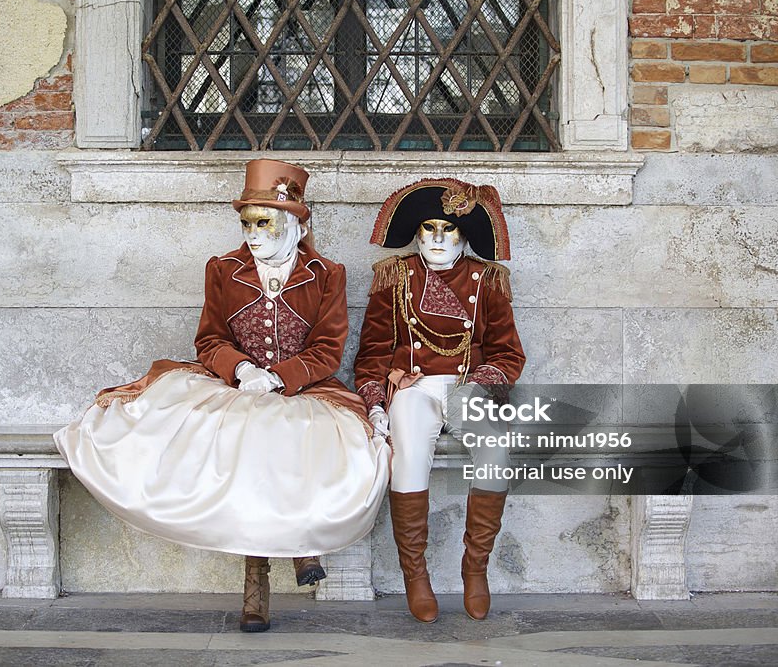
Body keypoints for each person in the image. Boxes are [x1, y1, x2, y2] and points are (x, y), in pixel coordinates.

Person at [55, 159, 390, 633]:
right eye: (246, 223)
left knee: (296, 434)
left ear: (294, 222)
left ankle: (294, 547)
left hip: (306, 387)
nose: (253, 234)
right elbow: (209, 339)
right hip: (233, 385)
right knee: (245, 433)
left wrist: (280, 378)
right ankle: (261, 577)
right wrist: (244, 368)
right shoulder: (223, 269)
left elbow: (328, 348)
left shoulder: (327, 274)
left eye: (264, 222)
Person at [353, 178, 526, 623]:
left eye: (446, 229)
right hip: (414, 387)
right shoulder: (394, 276)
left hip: (469, 384)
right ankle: (416, 575)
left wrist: (483, 384)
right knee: (407, 454)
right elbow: (372, 352)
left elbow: (508, 353)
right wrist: (375, 401)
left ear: (464, 235)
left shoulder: (487, 281)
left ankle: (476, 569)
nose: (435, 237)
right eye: (428, 227)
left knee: (496, 449)